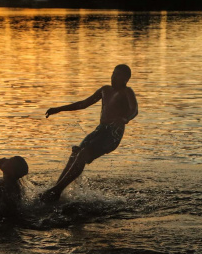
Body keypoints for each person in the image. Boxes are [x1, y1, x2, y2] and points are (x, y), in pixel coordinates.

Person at [41, 64, 138, 202]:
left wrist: (125, 118)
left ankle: (56, 191)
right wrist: (59, 109)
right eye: (113, 73)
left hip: (113, 134)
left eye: (117, 75)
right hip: (100, 130)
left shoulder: (127, 92)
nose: (113, 77)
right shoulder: (105, 90)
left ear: (125, 79)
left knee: (83, 154)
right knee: (76, 153)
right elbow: (84, 103)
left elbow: (134, 109)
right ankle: (57, 188)